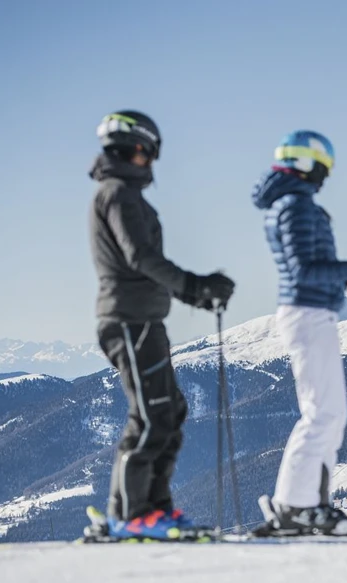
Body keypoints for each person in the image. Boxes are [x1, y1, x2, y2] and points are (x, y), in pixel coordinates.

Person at [89, 110, 236, 539]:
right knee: (152, 416)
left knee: (170, 411)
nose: (153, 159)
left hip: (144, 318)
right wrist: (193, 286)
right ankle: (131, 515)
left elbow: (142, 262)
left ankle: (153, 508)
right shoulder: (118, 194)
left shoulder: (124, 194)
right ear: (140, 147)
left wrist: (193, 291)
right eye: (151, 150)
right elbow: (140, 257)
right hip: (128, 319)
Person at [251, 130, 347, 536]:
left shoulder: (291, 204)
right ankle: (299, 506)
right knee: (324, 413)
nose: (326, 175)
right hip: (308, 314)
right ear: (307, 164)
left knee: (327, 412)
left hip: (311, 310)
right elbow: (304, 271)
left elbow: (309, 268)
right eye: (323, 166)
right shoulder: (295, 206)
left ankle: (302, 505)